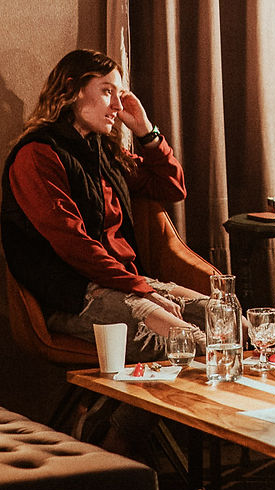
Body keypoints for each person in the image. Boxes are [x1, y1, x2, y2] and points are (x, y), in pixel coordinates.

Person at [1, 49, 210, 366]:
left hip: (125, 282)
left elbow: (172, 187)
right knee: (193, 342)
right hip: (74, 294)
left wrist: (146, 131)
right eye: (106, 91)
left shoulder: (105, 152)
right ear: (71, 89)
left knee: (230, 322)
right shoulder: (38, 154)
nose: (117, 106)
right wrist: (142, 290)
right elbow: (74, 244)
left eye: (119, 94)